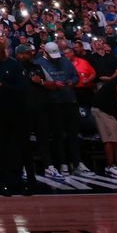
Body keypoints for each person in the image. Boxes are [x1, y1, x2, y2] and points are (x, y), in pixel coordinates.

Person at [0, 41, 35, 196]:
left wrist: (0, 85)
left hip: (19, 111)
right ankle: (7, 183)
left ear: (0, 51)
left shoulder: (14, 66)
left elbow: (22, 89)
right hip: (1, 112)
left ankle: (30, 182)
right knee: (3, 148)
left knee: (24, 147)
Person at [36, 41, 84, 176]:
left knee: (73, 134)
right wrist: (51, 84)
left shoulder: (65, 61)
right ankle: (62, 162)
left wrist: (71, 82)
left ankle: (77, 162)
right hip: (53, 103)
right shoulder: (39, 63)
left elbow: (75, 76)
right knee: (58, 134)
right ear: (45, 52)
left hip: (69, 100)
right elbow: (38, 82)